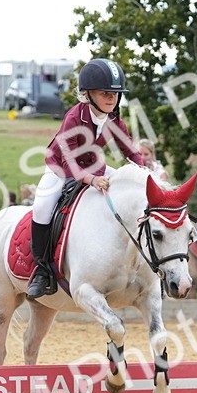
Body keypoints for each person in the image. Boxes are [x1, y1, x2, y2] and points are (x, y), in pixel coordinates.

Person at [27, 58, 146, 299]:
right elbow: (69, 161)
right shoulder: (74, 117)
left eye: (115, 94)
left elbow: (130, 151)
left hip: (96, 167)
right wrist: (90, 180)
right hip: (60, 168)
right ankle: (41, 270)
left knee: (131, 187)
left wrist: (146, 174)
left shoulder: (113, 119)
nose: (111, 99)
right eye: (105, 93)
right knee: (41, 207)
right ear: (88, 94)